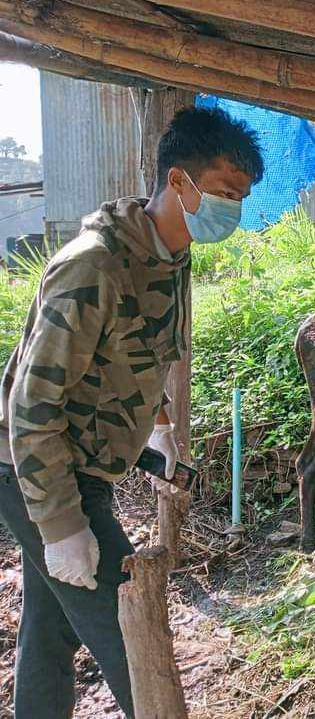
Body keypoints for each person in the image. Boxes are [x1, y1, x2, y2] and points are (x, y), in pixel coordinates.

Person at [0, 107, 263, 718]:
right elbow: (31, 405)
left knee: (53, 629)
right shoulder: (93, 265)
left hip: (84, 464)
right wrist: (63, 523)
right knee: (127, 632)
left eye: (241, 198)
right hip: (35, 467)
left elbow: (149, 352)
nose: (234, 211)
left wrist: (163, 431)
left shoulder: (171, 255)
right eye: (225, 194)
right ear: (179, 181)